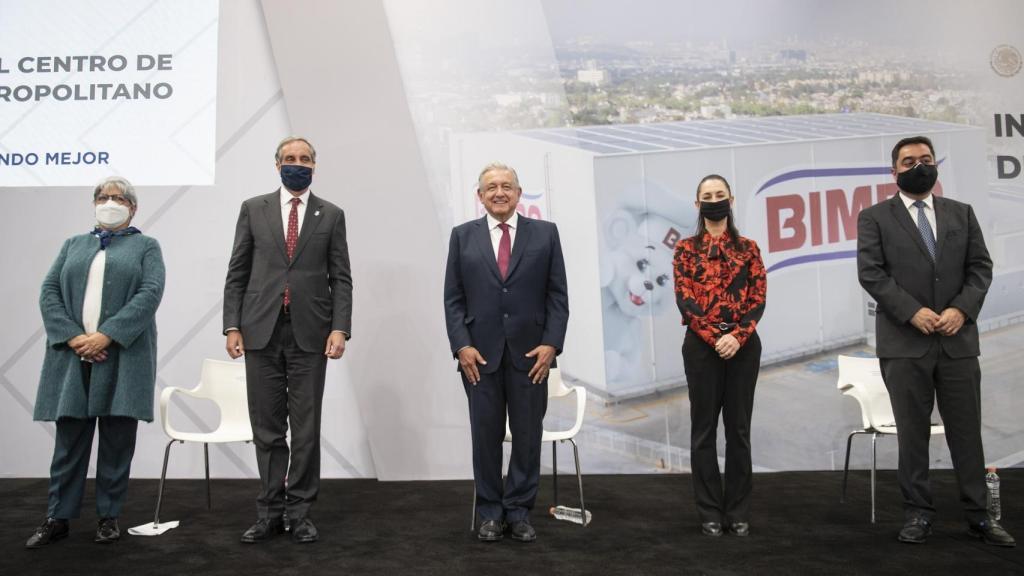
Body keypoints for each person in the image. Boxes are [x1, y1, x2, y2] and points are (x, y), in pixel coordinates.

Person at [857, 136, 1014, 547]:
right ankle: (918, 515)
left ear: (935, 165)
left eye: (926, 159)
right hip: (904, 345)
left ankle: (979, 517)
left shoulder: (961, 214)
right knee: (913, 435)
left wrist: (961, 309)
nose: (919, 166)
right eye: (908, 161)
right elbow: (871, 274)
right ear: (893, 172)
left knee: (967, 433)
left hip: (958, 341)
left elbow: (980, 268)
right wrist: (913, 311)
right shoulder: (874, 217)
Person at [223, 136, 352, 544]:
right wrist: (232, 325)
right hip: (260, 331)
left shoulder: (330, 214)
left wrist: (339, 327)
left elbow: (341, 278)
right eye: (290, 158)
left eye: (305, 159)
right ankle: (268, 512)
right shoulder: (253, 208)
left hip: (310, 334)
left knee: (307, 427)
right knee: (267, 427)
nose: (298, 164)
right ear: (276, 164)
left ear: (315, 165)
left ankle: (299, 512)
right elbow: (237, 272)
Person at [27, 177, 165, 548]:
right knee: (69, 442)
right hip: (73, 358)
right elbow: (49, 291)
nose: (109, 202)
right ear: (94, 203)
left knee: (117, 441)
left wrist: (107, 336)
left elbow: (149, 293)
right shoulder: (73, 244)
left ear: (132, 207)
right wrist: (74, 338)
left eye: (118, 198)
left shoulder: (146, 246)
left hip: (123, 356)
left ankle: (108, 517)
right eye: (103, 197)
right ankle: (58, 516)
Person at [443, 163, 569, 543]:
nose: (499, 192)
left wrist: (551, 344)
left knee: (528, 438)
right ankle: (490, 514)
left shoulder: (545, 235)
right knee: (485, 438)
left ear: (518, 193)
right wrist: (462, 346)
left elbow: (558, 296)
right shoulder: (462, 237)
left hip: (532, 357)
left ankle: (518, 512)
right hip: (478, 359)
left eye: (507, 186)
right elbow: (453, 299)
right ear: (479, 196)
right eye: (491, 187)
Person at [673, 174, 766, 538]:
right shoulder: (685, 249)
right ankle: (710, 511)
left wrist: (737, 337)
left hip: (743, 348)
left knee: (739, 431)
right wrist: (716, 339)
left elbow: (757, 299)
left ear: (731, 200)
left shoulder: (749, 249)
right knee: (704, 431)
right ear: (698, 205)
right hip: (701, 348)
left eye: (720, 195)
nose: (714, 200)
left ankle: (739, 511)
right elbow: (686, 300)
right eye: (707, 196)